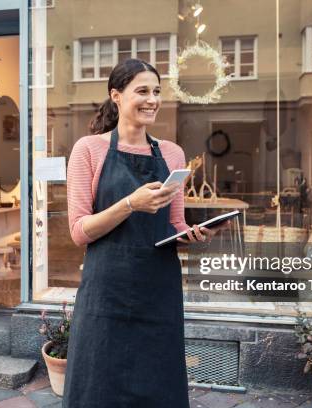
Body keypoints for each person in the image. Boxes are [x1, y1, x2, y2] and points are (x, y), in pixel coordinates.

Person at [63, 58, 225, 407]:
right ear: (116, 96)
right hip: (106, 289)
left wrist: (192, 234)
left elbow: (175, 224)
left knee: (157, 382)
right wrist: (130, 204)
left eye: (156, 91)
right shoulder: (88, 150)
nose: (152, 99)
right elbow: (79, 232)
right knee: (98, 383)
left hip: (158, 289)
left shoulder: (171, 153)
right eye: (142, 91)